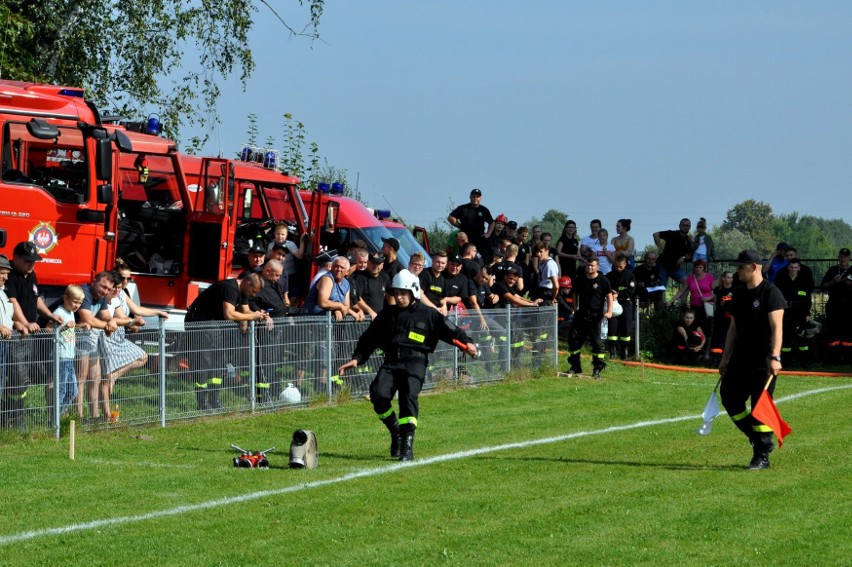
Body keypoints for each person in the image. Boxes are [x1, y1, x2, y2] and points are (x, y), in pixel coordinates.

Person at [338, 270, 477, 461]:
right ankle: (395, 431)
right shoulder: (388, 314)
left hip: (415, 362)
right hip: (391, 362)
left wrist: (467, 341)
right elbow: (369, 337)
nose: (399, 297)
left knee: (407, 397)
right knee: (378, 395)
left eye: (403, 293)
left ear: (414, 292)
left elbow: (451, 330)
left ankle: (406, 444)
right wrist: (357, 358)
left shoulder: (429, 314)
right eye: (396, 293)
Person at [719, 249, 786, 470]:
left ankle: (762, 455)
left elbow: (777, 328)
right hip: (740, 357)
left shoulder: (771, 292)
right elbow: (733, 328)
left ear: (754, 267)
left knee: (760, 407)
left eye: (741, 266)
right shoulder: (738, 293)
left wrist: (775, 357)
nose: (738, 270)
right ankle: (757, 438)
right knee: (729, 398)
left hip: (763, 360)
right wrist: (725, 357)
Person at [184, 273, 269, 410]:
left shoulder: (243, 292)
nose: (253, 295)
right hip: (201, 323)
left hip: (214, 326)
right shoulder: (230, 288)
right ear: (247, 283)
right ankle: (202, 402)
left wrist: (258, 314)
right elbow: (229, 314)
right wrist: (252, 316)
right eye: (253, 291)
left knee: (218, 362)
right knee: (204, 362)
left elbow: (245, 310)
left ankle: (214, 399)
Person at [1, 241, 63, 428]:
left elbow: (36, 299)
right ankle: (10, 416)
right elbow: (13, 303)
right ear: (17, 258)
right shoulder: (9, 275)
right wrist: (25, 323)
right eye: (28, 260)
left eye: (34, 260)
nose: (32, 264)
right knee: (15, 377)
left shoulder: (31, 274)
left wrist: (50, 315)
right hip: (16, 334)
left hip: (29, 334)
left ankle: (16, 415)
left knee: (24, 378)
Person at [74, 271, 120, 422]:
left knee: (94, 378)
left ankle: (95, 417)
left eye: (108, 289)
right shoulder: (84, 293)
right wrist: (108, 326)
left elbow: (105, 316)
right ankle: (78, 416)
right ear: (94, 281)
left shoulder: (101, 297)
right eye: (103, 287)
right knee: (80, 379)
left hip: (87, 340)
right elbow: (88, 319)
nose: (105, 291)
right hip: (71, 338)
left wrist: (111, 321)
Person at [565, 257, 614, 379]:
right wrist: (575, 309)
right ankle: (575, 366)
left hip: (596, 316)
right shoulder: (580, 279)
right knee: (573, 339)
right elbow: (574, 293)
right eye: (588, 265)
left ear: (597, 267)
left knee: (597, 343)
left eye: (592, 266)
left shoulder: (603, 280)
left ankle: (597, 369)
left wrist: (609, 311)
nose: (589, 268)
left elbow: (609, 296)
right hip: (581, 315)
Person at [47, 285, 87, 418]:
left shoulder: (71, 313)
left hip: (69, 357)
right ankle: (55, 421)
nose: (77, 305)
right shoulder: (59, 312)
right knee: (62, 390)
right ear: (65, 298)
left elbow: (71, 329)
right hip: (60, 356)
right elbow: (47, 330)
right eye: (75, 301)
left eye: (80, 303)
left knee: (72, 391)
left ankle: (58, 415)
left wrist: (80, 326)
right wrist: (63, 328)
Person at [775, 258, 814, 368]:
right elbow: (777, 296)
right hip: (786, 312)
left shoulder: (803, 280)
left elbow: (807, 298)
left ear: (799, 268)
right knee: (786, 338)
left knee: (802, 337)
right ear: (788, 268)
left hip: (800, 312)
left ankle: (805, 363)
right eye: (791, 267)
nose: (793, 269)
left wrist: (807, 313)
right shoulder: (782, 279)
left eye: (796, 267)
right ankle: (786, 363)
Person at [820, 247, 852, 362]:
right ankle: (833, 357)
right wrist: (833, 282)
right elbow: (822, 287)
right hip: (834, 304)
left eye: (846, 256)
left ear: (850, 258)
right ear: (838, 257)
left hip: (848, 306)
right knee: (832, 331)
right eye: (841, 256)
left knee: (848, 332)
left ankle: (848, 357)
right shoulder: (833, 270)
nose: (843, 259)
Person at [667, 259, 716, 335]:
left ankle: (707, 345)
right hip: (694, 307)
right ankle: (696, 344)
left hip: (707, 306)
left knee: (707, 328)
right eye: (696, 267)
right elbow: (682, 290)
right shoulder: (690, 278)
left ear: (703, 268)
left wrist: (708, 298)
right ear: (694, 268)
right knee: (694, 327)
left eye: (700, 267)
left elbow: (717, 292)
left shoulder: (709, 277)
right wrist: (671, 301)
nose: (698, 269)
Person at [605, 253, 636, 360]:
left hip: (625, 304)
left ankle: (625, 352)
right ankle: (612, 352)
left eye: (621, 266)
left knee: (626, 329)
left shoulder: (630, 276)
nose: (618, 268)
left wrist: (619, 294)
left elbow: (631, 291)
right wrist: (610, 293)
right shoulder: (609, 276)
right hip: (612, 304)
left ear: (625, 264)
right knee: (612, 329)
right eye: (617, 266)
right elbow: (604, 288)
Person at [653, 218, 694, 287]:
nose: (685, 227)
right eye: (683, 225)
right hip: (663, 265)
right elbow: (656, 234)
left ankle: (680, 298)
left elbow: (690, 254)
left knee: (687, 282)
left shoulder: (688, 239)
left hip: (674, 268)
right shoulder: (672, 234)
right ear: (679, 226)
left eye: (687, 225)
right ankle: (661, 298)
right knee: (661, 288)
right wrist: (660, 248)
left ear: (690, 227)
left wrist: (683, 257)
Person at [350, 252, 390, 319]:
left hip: (379, 318)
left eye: (378, 264)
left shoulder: (385, 277)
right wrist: (370, 311)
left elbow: (390, 294)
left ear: (382, 265)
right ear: (368, 263)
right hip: (364, 319)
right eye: (373, 263)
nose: (375, 266)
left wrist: (392, 310)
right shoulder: (359, 277)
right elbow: (356, 298)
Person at [708, 270, 734, 367]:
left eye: (731, 277)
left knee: (728, 338)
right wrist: (713, 315)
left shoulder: (735, 290)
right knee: (717, 338)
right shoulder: (718, 290)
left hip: (730, 319)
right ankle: (715, 359)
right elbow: (715, 303)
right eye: (728, 277)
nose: (730, 279)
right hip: (719, 318)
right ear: (723, 278)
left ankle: (728, 359)